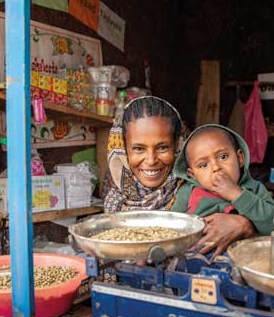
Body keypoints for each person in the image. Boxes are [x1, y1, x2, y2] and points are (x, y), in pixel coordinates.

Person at [102, 97, 256, 254]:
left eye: (162, 147)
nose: (151, 160)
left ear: (177, 146)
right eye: (139, 149)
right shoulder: (115, 203)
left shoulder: (203, 185)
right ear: (122, 150)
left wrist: (245, 225)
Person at [170, 124, 274, 235]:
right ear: (192, 174)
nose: (216, 167)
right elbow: (171, 228)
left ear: (240, 158)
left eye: (223, 157)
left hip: (242, 250)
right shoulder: (187, 192)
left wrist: (237, 194)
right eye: (203, 165)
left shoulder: (254, 189)